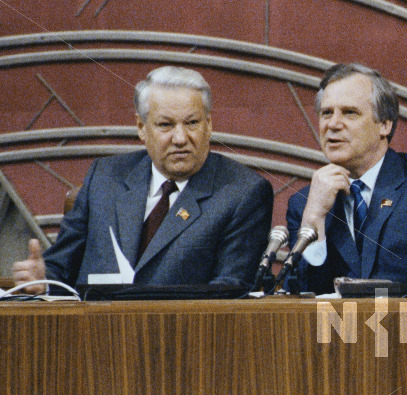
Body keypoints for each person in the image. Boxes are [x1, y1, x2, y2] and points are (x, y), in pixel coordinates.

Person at [12, 66, 273, 293]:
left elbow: (230, 291)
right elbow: (61, 267)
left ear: (209, 124)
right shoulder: (105, 177)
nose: (180, 138)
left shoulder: (243, 193)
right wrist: (42, 279)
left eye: (192, 123)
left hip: (183, 331)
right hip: (90, 330)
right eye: (165, 125)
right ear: (141, 128)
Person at [286, 63, 407, 293]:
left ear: (384, 124)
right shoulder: (305, 204)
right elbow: (299, 294)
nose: (332, 124)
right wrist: (313, 218)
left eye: (349, 113)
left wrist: (390, 314)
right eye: (326, 113)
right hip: (336, 319)